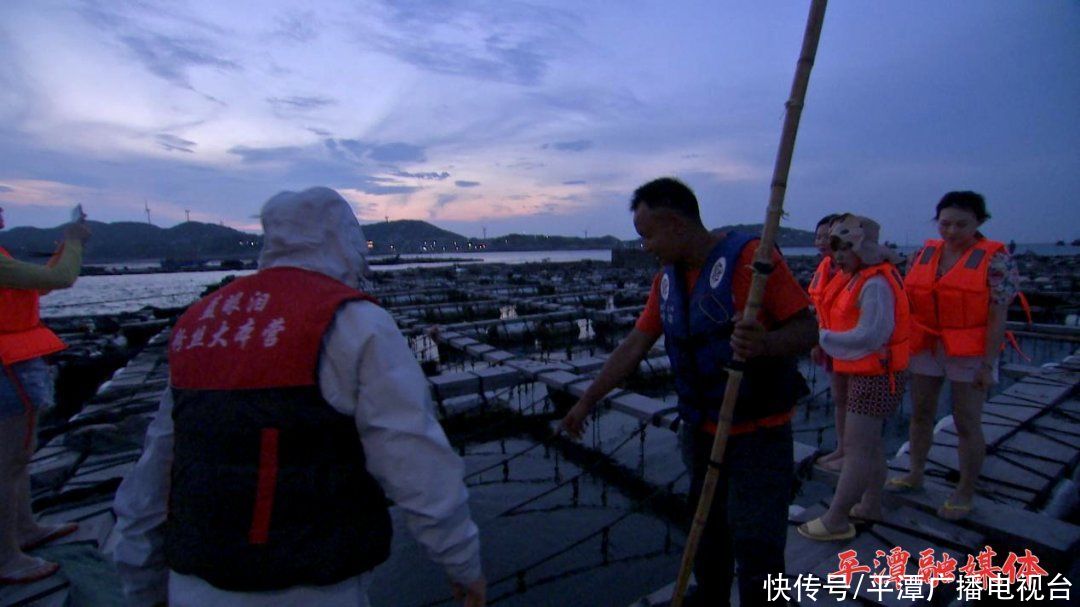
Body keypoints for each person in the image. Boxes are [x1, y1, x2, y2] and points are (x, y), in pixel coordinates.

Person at [110, 188, 485, 606]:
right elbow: (415, 458)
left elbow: (153, 475)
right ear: (345, 239)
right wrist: (462, 561)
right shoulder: (354, 320)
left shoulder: (200, 321)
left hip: (195, 584)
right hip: (316, 586)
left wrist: (141, 586)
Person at [558, 178, 817, 606]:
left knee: (758, 544)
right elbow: (633, 346)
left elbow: (808, 328)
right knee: (705, 531)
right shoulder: (666, 281)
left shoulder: (751, 260)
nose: (645, 247)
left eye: (648, 236)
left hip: (758, 434)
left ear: (677, 224)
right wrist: (586, 401)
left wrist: (765, 344)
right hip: (700, 430)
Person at [887, 191, 1020, 521]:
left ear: (979, 222)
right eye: (944, 224)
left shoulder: (996, 260)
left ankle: (964, 491)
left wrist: (988, 364)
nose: (951, 231)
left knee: (966, 421)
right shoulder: (924, 253)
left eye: (961, 224)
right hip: (928, 345)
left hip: (970, 351)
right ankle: (914, 473)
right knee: (920, 412)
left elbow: (997, 315)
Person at [797, 215, 909, 541]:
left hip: (876, 374)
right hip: (865, 370)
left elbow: (871, 336)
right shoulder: (856, 278)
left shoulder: (874, 284)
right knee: (871, 447)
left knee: (858, 449)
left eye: (847, 247)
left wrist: (822, 337)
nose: (839, 254)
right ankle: (871, 503)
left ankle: (835, 518)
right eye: (837, 247)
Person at [0, 205, 90, 584]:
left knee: (18, 457)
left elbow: (45, 281)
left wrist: (61, 249)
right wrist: (73, 241)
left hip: (15, 365)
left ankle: (24, 528)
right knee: (7, 462)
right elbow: (64, 278)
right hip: (7, 368)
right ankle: (6, 557)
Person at [807, 213, 850, 472]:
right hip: (830, 343)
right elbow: (820, 309)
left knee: (853, 402)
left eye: (827, 236)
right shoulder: (825, 267)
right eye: (818, 236)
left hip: (852, 347)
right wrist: (817, 342)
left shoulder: (853, 268)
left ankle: (851, 451)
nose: (821, 241)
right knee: (839, 398)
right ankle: (842, 448)